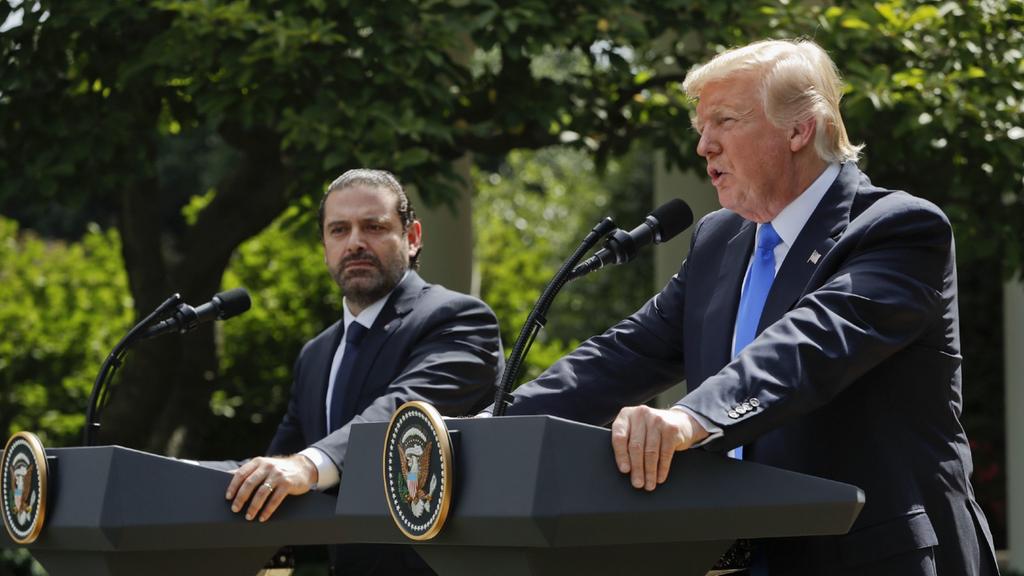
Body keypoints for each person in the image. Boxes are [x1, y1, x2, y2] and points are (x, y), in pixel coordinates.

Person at [498, 39, 999, 575]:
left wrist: (690, 419)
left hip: (874, 557)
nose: (704, 147)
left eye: (725, 121)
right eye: (700, 129)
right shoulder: (720, 240)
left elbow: (809, 344)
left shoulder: (897, 229)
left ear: (799, 129)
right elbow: (627, 353)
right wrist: (489, 427)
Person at [226, 169, 503, 575]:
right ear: (324, 246)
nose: (355, 242)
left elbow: (404, 412)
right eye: (339, 230)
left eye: (374, 227)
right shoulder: (316, 355)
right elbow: (278, 459)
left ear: (412, 238)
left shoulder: (458, 319)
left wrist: (307, 465)